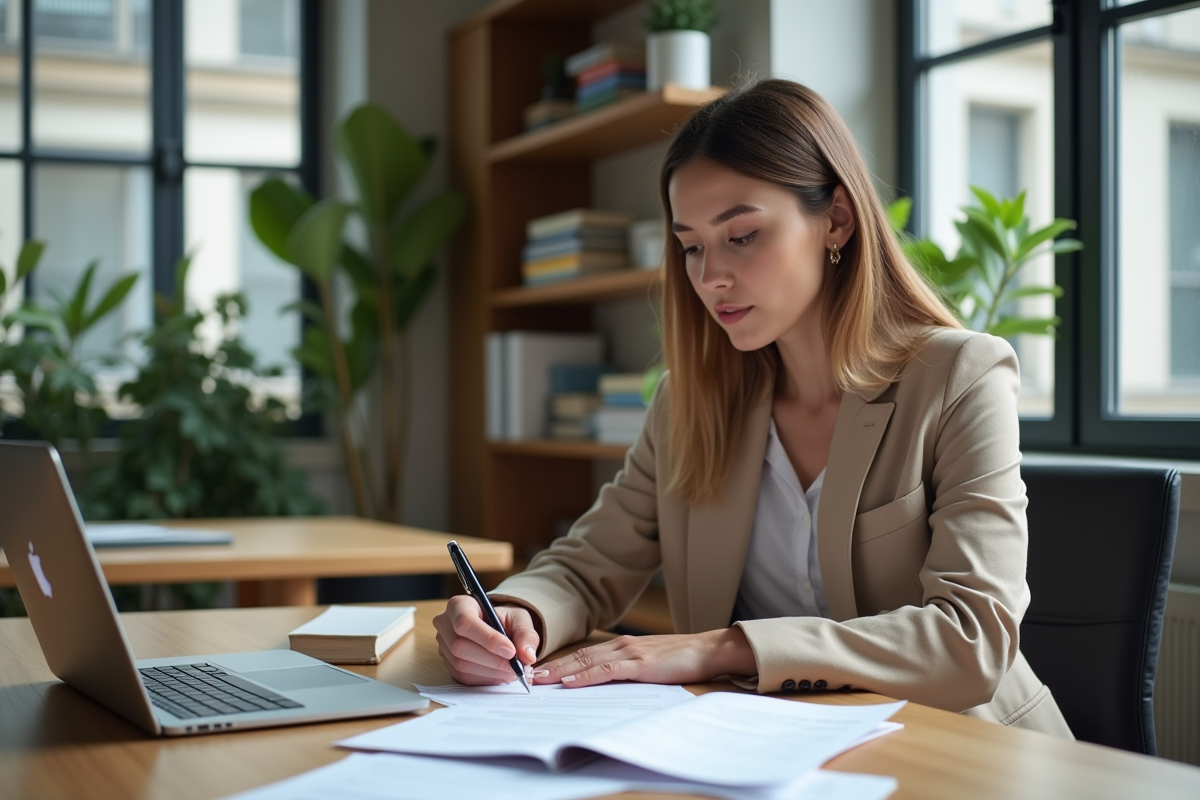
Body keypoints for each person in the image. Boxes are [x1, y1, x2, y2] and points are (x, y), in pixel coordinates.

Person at [433, 78, 1073, 737]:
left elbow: (972, 639)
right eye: (691, 246)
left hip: (963, 748)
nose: (711, 276)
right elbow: (588, 563)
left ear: (837, 220)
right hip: (772, 748)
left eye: (741, 235)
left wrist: (720, 648)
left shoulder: (960, 376)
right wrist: (519, 616)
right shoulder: (690, 402)